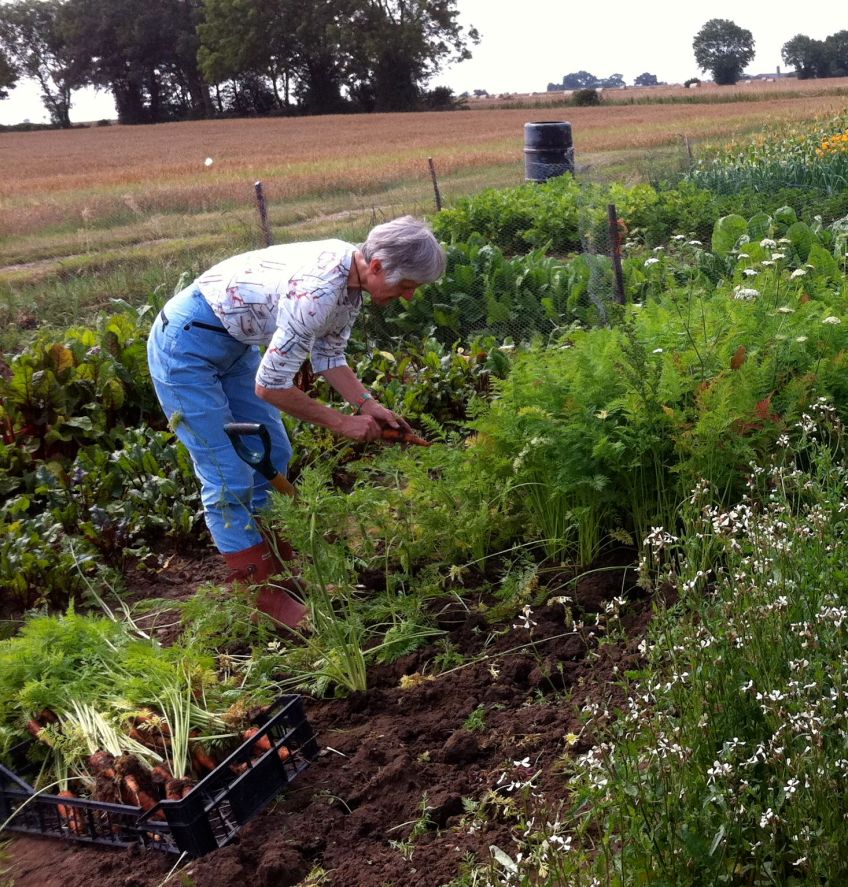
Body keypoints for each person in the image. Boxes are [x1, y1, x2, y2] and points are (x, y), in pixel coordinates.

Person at [147, 216, 446, 627]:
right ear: (377, 266)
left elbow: (328, 357)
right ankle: (263, 599)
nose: (409, 297)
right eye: (407, 286)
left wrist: (365, 403)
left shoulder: (351, 280)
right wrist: (342, 423)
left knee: (276, 451)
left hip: (234, 345)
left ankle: (283, 578)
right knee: (227, 472)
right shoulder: (317, 291)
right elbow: (270, 388)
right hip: (186, 347)